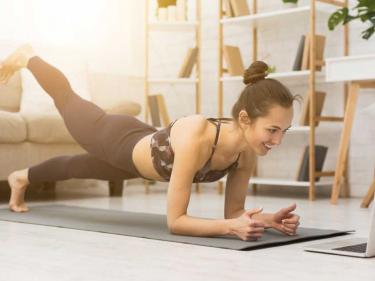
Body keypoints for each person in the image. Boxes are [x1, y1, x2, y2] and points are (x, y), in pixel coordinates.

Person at [0, 45, 300, 241]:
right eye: (272, 130)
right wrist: (230, 228)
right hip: (114, 136)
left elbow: (234, 213)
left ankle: (20, 177)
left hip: (138, 158)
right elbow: (176, 221)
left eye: (284, 131)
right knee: (66, 98)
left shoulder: (245, 153)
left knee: (76, 166)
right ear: (246, 119)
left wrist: (269, 220)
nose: (278, 140)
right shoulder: (200, 135)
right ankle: (28, 57)